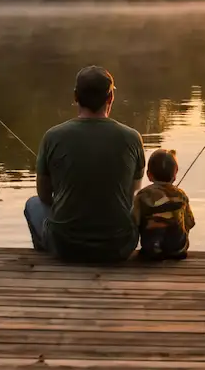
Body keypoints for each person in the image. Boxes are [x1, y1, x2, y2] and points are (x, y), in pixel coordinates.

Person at [24, 65, 145, 263]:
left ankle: (46, 258)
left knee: (33, 204)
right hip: (119, 246)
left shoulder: (52, 136)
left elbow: (44, 195)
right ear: (110, 98)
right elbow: (132, 195)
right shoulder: (132, 138)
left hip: (66, 246)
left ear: (75, 97)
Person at [132, 148, 196, 261]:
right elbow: (190, 222)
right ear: (175, 175)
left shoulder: (142, 195)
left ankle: (154, 247)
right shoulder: (181, 195)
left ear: (149, 175)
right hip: (179, 252)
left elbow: (134, 222)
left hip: (151, 251)